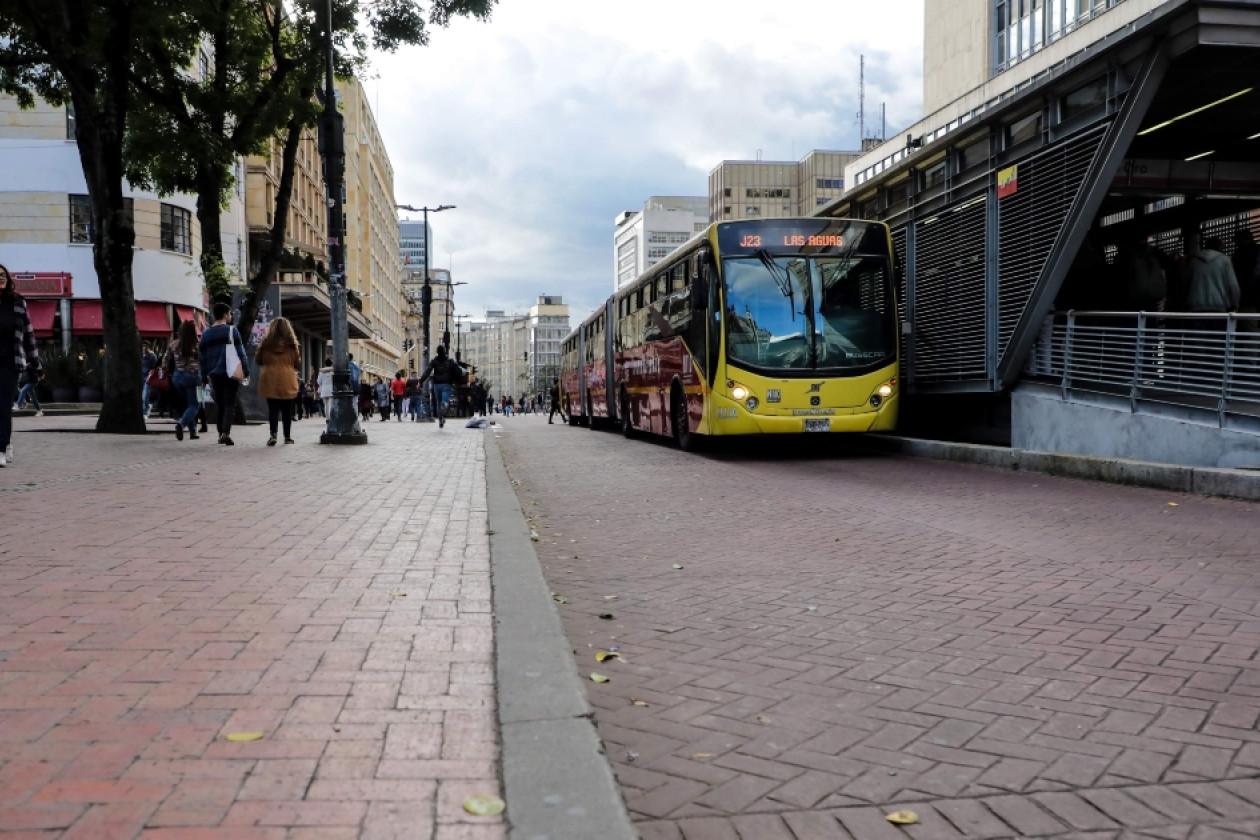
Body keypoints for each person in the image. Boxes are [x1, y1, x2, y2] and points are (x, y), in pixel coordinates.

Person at [0, 264, 41, 468]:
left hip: (10, 363)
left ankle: (2, 446)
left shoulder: (18, 302)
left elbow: (29, 335)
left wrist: (35, 362)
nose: (0, 278)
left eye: (2, 275)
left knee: (3, 407)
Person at [199, 301, 250, 446]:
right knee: (229, 404)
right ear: (225, 314)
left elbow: (202, 357)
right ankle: (225, 433)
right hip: (230, 372)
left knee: (220, 404)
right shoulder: (231, 331)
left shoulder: (206, 334)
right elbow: (241, 353)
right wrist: (246, 371)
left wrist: (203, 376)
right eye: (230, 314)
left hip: (214, 374)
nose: (231, 316)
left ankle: (220, 432)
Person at [256, 316, 301, 446]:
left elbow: (259, 360)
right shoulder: (292, 345)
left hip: (270, 379)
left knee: (273, 409)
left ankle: (273, 435)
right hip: (288, 379)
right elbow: (297, 363)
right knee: (287, 410)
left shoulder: (265, 345)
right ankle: (287, 437)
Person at [1184, 232, 1240, 313]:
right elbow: (1233, 286)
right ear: (1220, 247)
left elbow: (1186, 284)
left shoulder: (1194, 262)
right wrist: (1235, 304)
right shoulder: (1225, 261)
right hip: (1219, 306)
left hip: (1195, 306)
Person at [165, 320, 202, 441]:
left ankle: (193, 432)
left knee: (187, 404)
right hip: (193, 377)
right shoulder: (197, 344)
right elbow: (203, 361)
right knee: (194, 405)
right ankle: (181, 424)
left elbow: (165, 362)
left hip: (177, 378)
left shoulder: (173, 344)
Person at [416, 345, 462, 428]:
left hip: (436, 385)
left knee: (438, 403)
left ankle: (441, 419)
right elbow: (457, 371)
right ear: (445, 351)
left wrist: (420, 381)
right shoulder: (450, 361)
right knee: (444, 401)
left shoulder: (434, 361)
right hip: (446, 384)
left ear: (437, 352)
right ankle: (444, 406)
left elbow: (427, 372)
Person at [141, 343, 158, 417]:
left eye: (145, 347)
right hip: (141, 377)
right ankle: (146, 408)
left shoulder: (152, 355)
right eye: (143, 346)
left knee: (145, 396)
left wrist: (150, 375)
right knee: (142, 396)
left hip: (148, 377)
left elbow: (154, 367)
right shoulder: (140, 355)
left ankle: (145, 411)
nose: (144, 348)